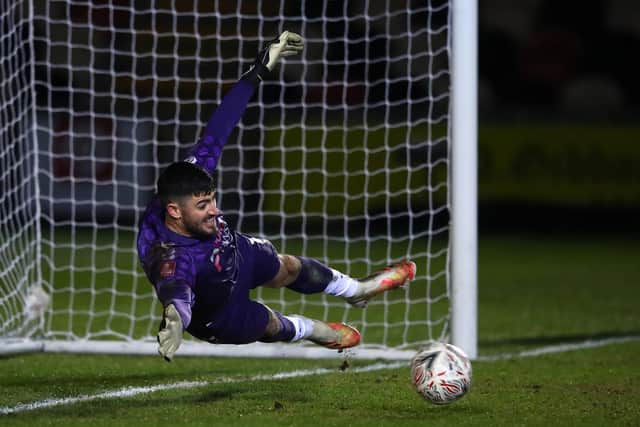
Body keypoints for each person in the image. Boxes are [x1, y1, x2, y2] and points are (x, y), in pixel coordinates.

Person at [137, 31, 417, 361]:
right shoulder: (167, 252)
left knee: (287, 267)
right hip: (216, 312)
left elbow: (220, 126)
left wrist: (258, 70)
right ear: (174, 212)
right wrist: (174, 319)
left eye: (212, 199)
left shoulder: (189, 177)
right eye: (203, 206)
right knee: (271, 325)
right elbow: (177, 289)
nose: (214, 210)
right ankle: (313, 330)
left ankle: (356, 291)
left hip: (234, 251)